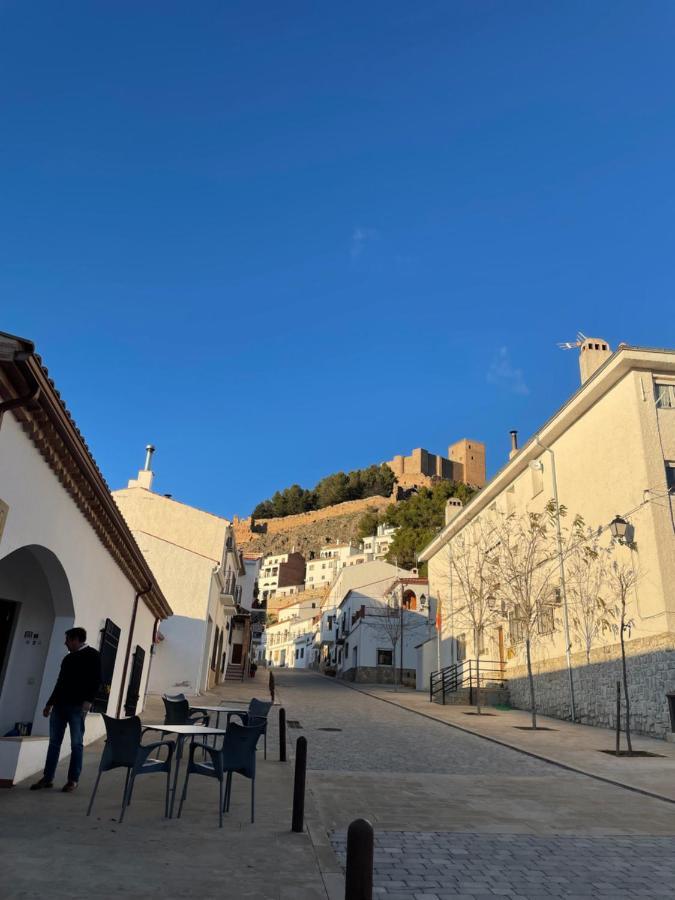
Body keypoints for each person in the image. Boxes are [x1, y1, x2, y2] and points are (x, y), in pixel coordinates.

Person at [30, 627, 102, 793]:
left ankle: (73, 780)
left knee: (76, 744)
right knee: (54, 743)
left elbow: (96, 680)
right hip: (59, 706)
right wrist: (49, 703)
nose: (66, 643)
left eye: (68, 640)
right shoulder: (68, 659)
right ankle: (48, 778)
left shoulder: (93, 655)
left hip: (77, 707)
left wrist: (88, 701)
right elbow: (60, 682)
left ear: (76, 639)